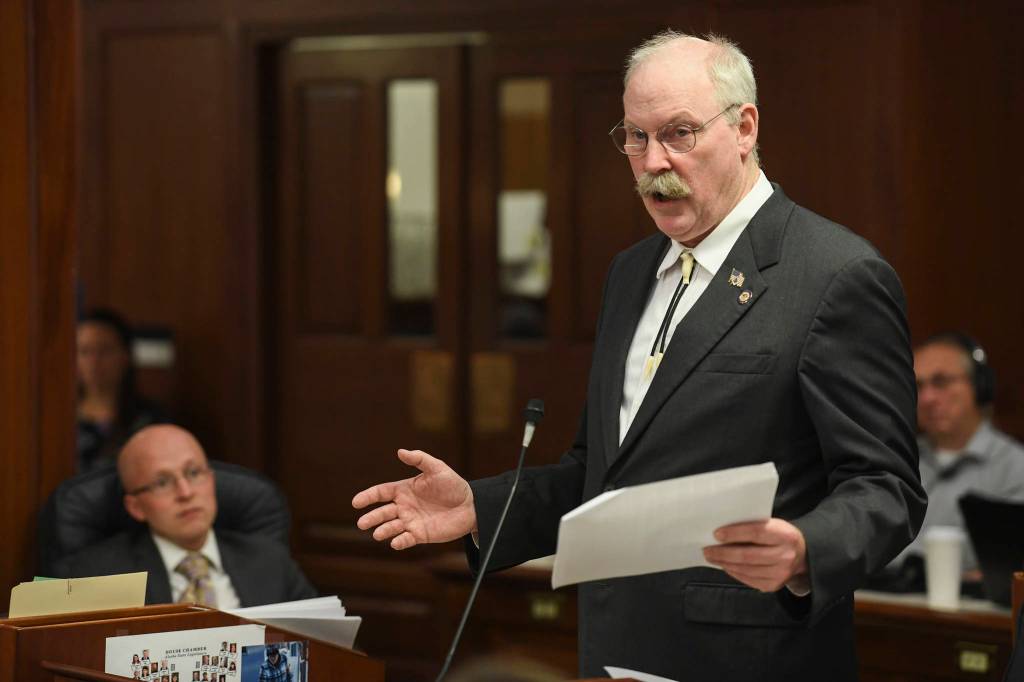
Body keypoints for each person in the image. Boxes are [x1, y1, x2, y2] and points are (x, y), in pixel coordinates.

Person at [354, 31, 926, 680]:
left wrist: (804, 550)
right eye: (635, 136)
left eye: (679, 133)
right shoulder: (631, 273)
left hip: (750, 656)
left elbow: (887, 489)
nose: (654, 161)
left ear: (744, 127)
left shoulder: (833, 275)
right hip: (617, 653)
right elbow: (602, 475)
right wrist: (482, 508)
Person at [53, 424, 318, 607]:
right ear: (136, 507)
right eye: (162, 482)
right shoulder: (96, 574)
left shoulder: (269, 560)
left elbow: (327, 649)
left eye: (193, 473)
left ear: (212, 481)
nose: (185, 492)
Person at [894, 333, 1024, 573]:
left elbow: (1005, 561)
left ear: (979, 387)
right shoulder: (897, 459)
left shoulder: (1016, 468)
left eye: (941, 382)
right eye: (918, 386)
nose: (927, 398)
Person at [76, 308, 166, 472]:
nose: (94, 361)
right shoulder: (60, 421)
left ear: (126, 355)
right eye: (84, 351)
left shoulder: (149, 419)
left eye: (105, 350)